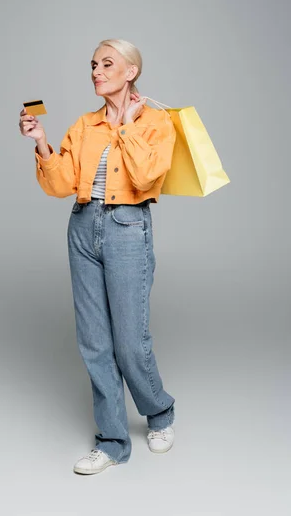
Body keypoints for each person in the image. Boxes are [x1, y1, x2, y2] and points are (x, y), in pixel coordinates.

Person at [19, 38, 177, 475]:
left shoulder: (156, 122)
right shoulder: (84, 125)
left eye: (107, 64)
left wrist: (126, 125)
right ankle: (111, 441)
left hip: (128, 227)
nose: (96, 71)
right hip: (83, 227)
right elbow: (60, 184)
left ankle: (159, 412)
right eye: (92, 64)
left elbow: (147, 176)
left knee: (130, 342)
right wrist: (43, 143)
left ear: (131, 72)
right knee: (94, 343)